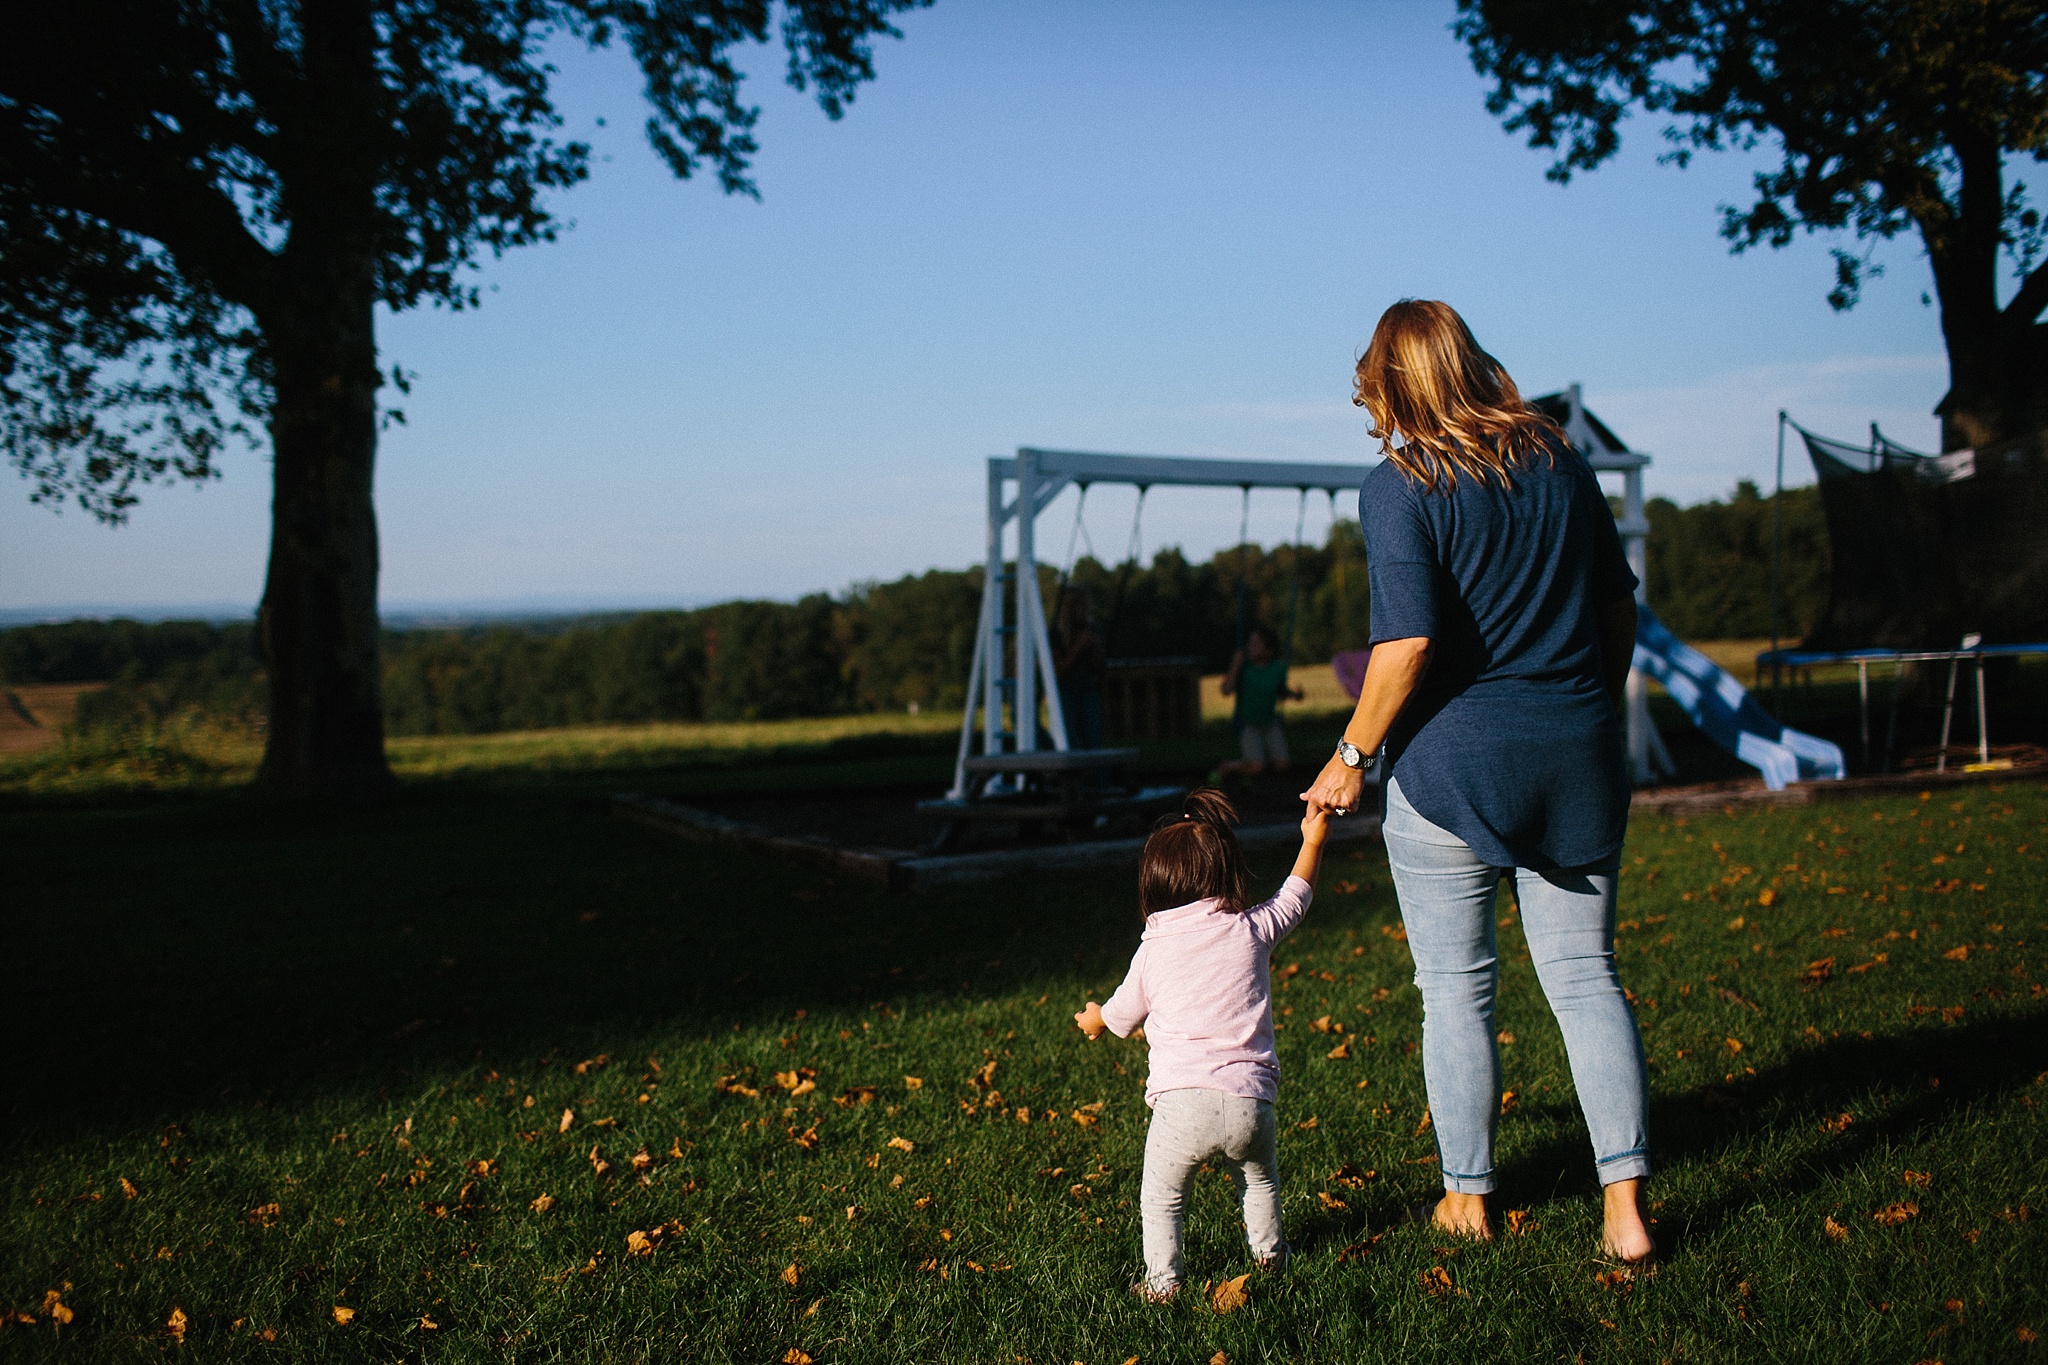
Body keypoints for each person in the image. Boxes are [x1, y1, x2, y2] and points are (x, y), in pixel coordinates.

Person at [1300, 299, 1656, 1267]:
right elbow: (1617, 609)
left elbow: (1406, 642)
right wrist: (1584, 705)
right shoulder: (1559, 461)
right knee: (1586, 984)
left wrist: (1348, 759)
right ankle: (1623, 1211)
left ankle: (1467, 1196)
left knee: (1455, 992)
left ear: (1390, 382)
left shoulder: (1401, 485)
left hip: (1452, 768)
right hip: (1576, 752)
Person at [1074, 788, 1330, 1300]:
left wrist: (1097, 1018)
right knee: (1259, 1184)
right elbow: (1295, 898)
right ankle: (1270, 1260)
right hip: (1250, 1102)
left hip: (1180, 1109)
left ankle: (1163, 1284)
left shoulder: (1153, 949)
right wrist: (1313, 840)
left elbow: (1124, 1015)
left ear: (1153, 885)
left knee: (1163, 1198)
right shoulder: (1249, 928)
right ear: (1227, 872)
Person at [1216, 624, 1303, 778]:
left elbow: (1280, 690)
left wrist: (1294, 695)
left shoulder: (1278, 669)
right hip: (1248, 723)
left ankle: (1254, 765)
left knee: (1282, 765)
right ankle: (1227, 767)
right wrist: (1235, 664)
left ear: (1269, 649)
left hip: (1270, 722)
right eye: (1250, 643)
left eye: (1255, 644)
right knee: (1257, 767)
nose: (1250, 647)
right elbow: (1226, 690)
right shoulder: (1244, 668)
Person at [1054, 589, 1106, 749]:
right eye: (1081, 606)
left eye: (1087, 606)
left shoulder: (1092, 630)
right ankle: (1075, 773)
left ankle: (1096, 773)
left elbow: (1098, 668)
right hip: (1066, 690)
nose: (1085, 610)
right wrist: (1078, 647)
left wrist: (1097, 648)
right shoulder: (1057, 634)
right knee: (1072, 738)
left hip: (1088, 687)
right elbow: (1058, 671)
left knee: (1093, 739)